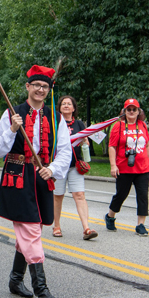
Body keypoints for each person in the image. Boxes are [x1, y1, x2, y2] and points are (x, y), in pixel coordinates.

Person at [0, 65, 71, 298]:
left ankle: (16, 279)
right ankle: (42, 289)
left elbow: (65, 151)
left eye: (45, 86)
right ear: (27, 87)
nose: (40, 90)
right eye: (36, 85)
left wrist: (53, 169)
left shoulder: (56, 117)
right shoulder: (11, 113)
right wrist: (13, 130)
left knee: (31, 229)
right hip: (17, 175)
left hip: (40, 176)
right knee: (31, 231)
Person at [105, 99, 149, 236]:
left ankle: (140, 225)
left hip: (142, 168)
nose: (131, 112)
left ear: (139, 112)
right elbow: (112, 147)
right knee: (121, 195)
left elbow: (147, 146)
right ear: (124, 111)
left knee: (143, 196)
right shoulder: (118, 126)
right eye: (129, 109)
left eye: (134, 109)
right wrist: (113, 166)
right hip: (124, 168)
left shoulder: (142, 125)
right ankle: (110, 216)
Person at [52, 96, 98, 240]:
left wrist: (85, 142)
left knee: (79, 195)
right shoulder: (55, 123)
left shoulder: (79, 124)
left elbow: (86, 146)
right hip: (59, 166)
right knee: (58, 196)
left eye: (69, 104)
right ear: (59, 108)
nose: (66, 106)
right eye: (63, 104)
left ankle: (86, 228)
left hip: (75, 166)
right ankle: (57, 226)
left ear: (73, 108)